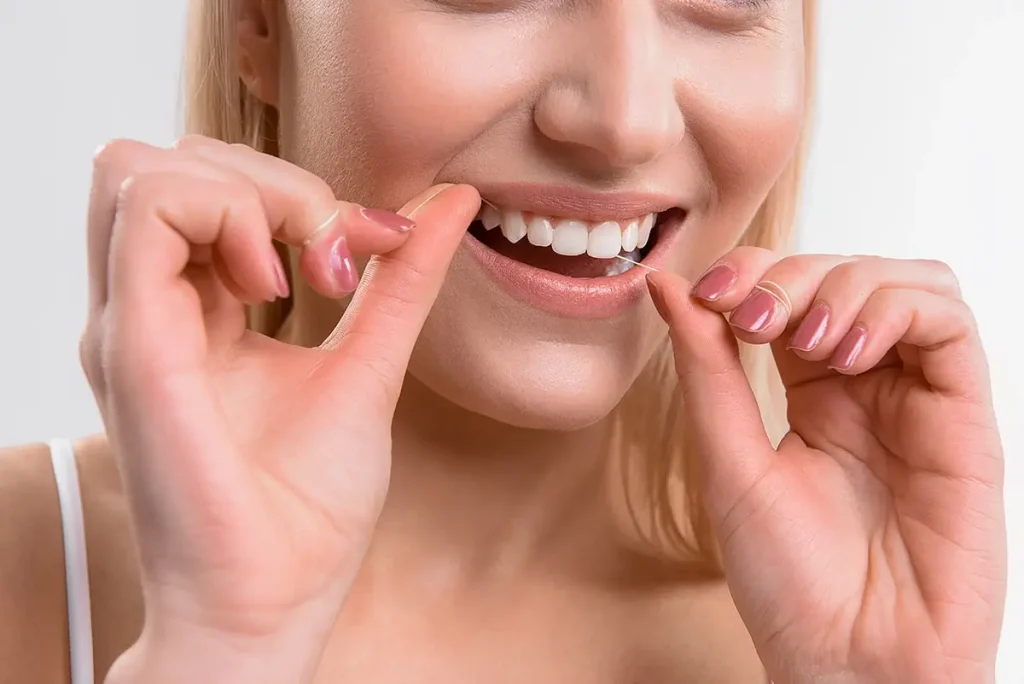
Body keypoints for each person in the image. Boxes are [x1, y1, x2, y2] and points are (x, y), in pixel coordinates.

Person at [0, 0, 1007, 682]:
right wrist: (219, 646)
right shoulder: (28, 565)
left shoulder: (849, 628)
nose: (620, 118)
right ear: (263, 25)